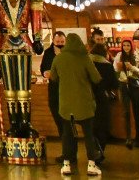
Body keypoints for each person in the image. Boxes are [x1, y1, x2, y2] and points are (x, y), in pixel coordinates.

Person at [47, 33, 102, 177]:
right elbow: (96, 78)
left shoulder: (58, 59)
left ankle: (66, 165)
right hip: (84, 104)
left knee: (68, 135)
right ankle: (91, 165)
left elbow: (53, 77)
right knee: (89, 135)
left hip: (66, 105)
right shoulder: (85, 58)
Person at [113, 38, 139, 147]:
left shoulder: (138, 56)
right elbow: (114, 70)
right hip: (123, 86)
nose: (126, 47)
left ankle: (138, 138)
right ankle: (128, 138)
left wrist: (132, 68)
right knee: (126, 113)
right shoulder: (118, 56)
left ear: (131, 46)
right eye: (124, 45)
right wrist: (119, 69)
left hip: (135, 87)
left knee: (137, 114)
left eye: (128, 45)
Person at [42, 31, 68, 154]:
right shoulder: (48, 52)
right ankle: (64, 143)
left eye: (62, 42)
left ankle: (68, 148)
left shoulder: (68, 53)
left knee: (66, 121)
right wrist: (45, 73)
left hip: (66, 89)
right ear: (53, 41)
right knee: (57, 117)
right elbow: (43, 67)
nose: (60, 44)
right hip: (53, 89)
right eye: (58, 42)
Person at [89, 42, 117, 154]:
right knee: (102, 127)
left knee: (91, 127)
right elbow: (114, 84)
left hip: (88, 98)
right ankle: (100, 151)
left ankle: (92, 152)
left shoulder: (87, 63)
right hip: (102, 98)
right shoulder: (107, 65)